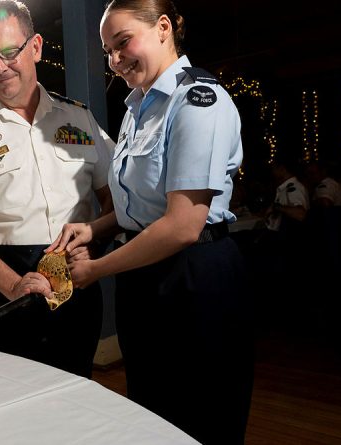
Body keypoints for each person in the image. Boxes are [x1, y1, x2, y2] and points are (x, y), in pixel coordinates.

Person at [47, 1, 252, 442]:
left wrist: (96, 269)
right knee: (152, 411)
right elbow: (141, 207)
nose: (115, 60)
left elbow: (182, 225)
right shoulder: (137, 107)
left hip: (195, 275)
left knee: (202, 415)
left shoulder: (199, 100)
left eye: (122, 44)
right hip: (143, 272)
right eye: (107, 51)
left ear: (163, 28)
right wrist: (96, 228)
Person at [0, 0, 114, 378]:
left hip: (76, 281)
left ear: (37, 47)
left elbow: (114, 202)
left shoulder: (79, 118)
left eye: (10, 52)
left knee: (78, 391)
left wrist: (91, 251)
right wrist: (13, 285)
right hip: (2, 286)